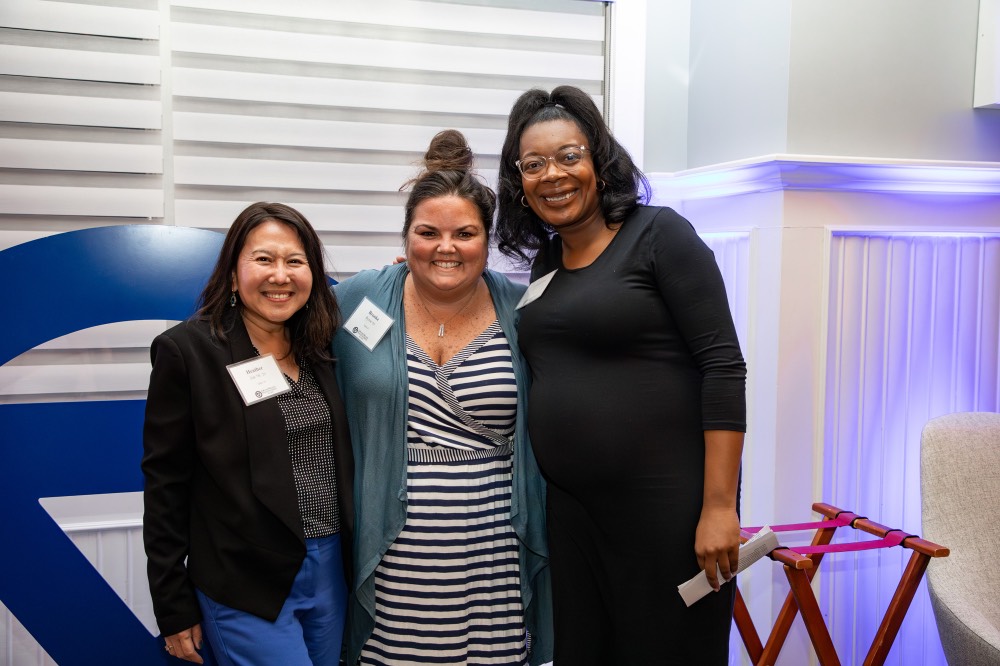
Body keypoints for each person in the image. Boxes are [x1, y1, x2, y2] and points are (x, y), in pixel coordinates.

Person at [494, 86, 747, 665]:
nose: (552, 175)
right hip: (574, 516)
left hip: (667, 513)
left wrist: (719, 506)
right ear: (519, 182)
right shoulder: (545, 263)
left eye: (568, 155)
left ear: (599, 160)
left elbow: (723, 367)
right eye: (533, 164)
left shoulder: (660, 235)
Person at [332, 130, 552, 665]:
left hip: (494, 549)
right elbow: (279, 330)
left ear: (487, 238)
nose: (446, 248)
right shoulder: (359, 297)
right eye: (428, 232)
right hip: (392, 549)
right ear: (406, 237)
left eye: (465, 233)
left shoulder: (523, 309)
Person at [142, 202, 354, 665]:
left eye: (295, 261)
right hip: (245, 577)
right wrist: (172, 606)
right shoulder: (188, 352)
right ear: (234, 272)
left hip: (330, 569)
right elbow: (165, 486)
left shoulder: (321, 345)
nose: (281, 275)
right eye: (264, 259)